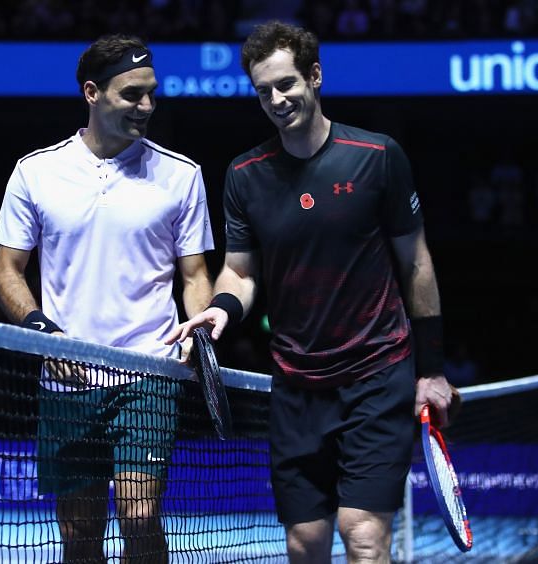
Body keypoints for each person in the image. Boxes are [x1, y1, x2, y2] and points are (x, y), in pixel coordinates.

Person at [167, 21, 453, 563]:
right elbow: (242, 274)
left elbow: (416, 260)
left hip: (375, 373)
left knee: (364, 535)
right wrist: (221, 310)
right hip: (296, 385)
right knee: (304, 542)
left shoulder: (376, 156)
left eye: (286, 84)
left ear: (315, 77)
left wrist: (431, 368)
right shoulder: (245, 176)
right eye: (263, 91)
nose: (276, 99)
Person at [0, 34, 214, 563]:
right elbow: (6, 272)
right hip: (67, 376)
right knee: (80, 536)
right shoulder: (36, 172)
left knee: (139, 516)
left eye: (151, 94)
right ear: (92, 92)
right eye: (132, 94)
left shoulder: (181, 176)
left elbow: (196, 274)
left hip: (148, 370)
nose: (147, 106)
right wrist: (45, 332)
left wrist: (200, 327)